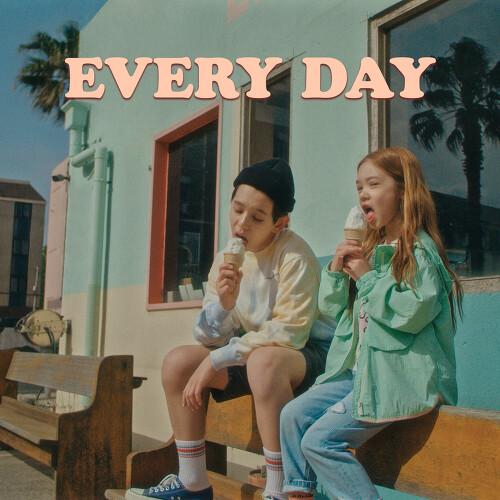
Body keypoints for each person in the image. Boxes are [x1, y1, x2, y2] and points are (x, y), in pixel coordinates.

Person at [126, 158, 333, 500]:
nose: (241, 224)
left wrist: (215, 360)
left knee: (264, 362)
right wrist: (223, 304)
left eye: (257, 218)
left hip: (308, 356)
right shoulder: (227, 256)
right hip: (255, 356)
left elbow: (290, 333)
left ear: (280, 223)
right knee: (178, 362)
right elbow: (207, 337)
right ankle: (192, 482)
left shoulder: (295, 256)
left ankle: (279, 489)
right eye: (237, 209)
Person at [280, 147, 463, 500]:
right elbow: (332, 309)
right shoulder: (372, 249)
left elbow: (411, 313)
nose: (363, 194)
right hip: (361, 371)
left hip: (400, 377)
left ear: (403, 191)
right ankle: (298, 492)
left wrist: (366, 276)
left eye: (374, 184)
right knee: (292, 415)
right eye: (359, 187)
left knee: (320, 442)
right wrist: (338, 270)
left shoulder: (418, 251)